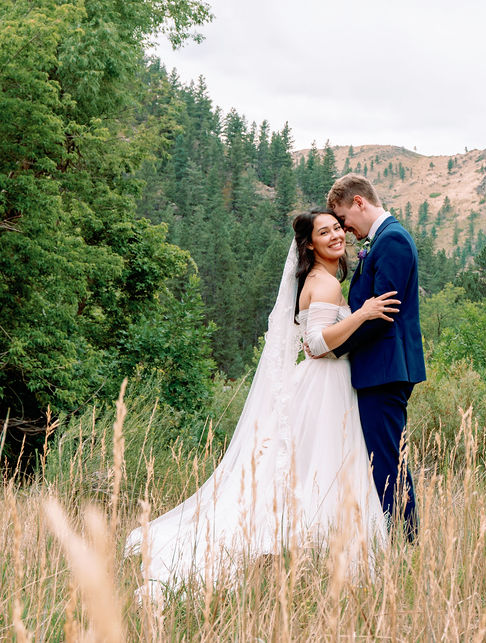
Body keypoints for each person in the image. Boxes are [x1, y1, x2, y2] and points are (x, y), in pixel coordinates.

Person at [125, 210, 399, 600]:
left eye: (338, 227)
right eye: (325, 232)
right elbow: (318, 345)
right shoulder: (322, 284)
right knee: (324, 465)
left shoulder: (324, 279)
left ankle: (319, 552)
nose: (336, 235)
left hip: (328, 383)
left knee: (317, 468)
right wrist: (364, 314)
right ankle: (315, 551)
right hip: (327, 386)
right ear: (310, 245)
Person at [326, 174, 425, 541]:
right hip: (378, 369)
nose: (346, 231)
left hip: (384, 370)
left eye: (344, 220)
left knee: (388, 463)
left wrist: (333, 347)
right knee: (383, 459)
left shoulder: (393, 240)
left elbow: (383, 314)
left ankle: (405, 542)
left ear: (359, 203)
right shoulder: (381, 240)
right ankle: (395, 539)